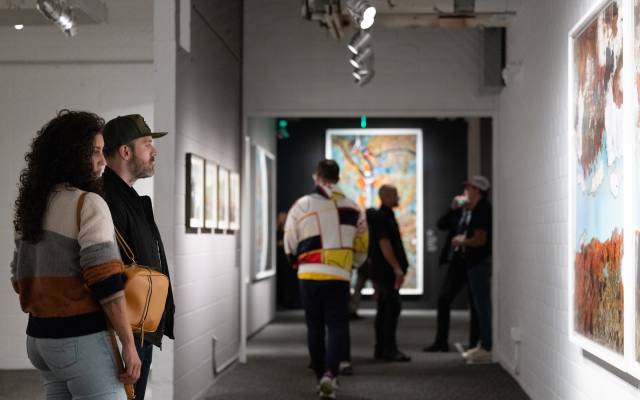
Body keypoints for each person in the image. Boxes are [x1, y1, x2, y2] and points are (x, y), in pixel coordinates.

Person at [10, 110, 141, 399]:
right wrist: (129, 343)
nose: (103, 160)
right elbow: (106, 283)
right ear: (72, 156)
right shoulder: (88, 204)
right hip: (80, 340)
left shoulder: (31, 209)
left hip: (39, 340)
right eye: (94, 152)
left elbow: (18, 278)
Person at [102, 114, 176, 400]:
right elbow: (107, 275)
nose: (154, 151)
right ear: (125, 151)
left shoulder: (130, 199)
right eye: (147, 144)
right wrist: (127, 342)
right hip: (125, 332)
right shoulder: (107, 200)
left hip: (139, 329)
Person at [284, 159, 368, 399]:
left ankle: (319, 373)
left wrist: (293, 259)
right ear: (338, 177)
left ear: (317, 177)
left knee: (315, 325)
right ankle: (330, 374)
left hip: (309, 273)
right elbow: (362, 245)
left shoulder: (302, 205)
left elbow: (290, 237)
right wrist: (352, 264)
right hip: (339, 276)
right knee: (338, 325)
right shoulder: (353, 207)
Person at [423, 192, 479, 353]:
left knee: (475, 304)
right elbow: (441, 224)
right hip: (457, 263)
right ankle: (441, 341)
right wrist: (452, 208)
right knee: (443, 299)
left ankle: (475, 343)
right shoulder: (458, 213)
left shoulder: (478, 213)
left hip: (473, 262)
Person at [453, 176, 493, 364]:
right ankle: (483, 343)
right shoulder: (474, 209)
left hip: (479, 263)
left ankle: (487, 346)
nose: (466, 191)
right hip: (474, 264)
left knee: (482, 306)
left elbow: (480, 239)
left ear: (478, 190)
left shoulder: (482, 210)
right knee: (478, 306)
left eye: (469, 188)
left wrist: (462, 240)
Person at [370, 185, 411, 362]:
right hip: (385, 271)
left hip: (384, 271)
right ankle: (388, 349)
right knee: (390, 309)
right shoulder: (382, 218)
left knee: (385, 309)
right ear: (385, 197)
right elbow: (384, 244)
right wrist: (396, 268)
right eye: (395, 195)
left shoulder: (386, 216)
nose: (398, 197)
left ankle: (382, 348)